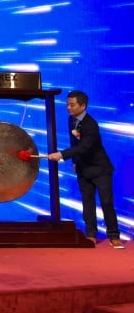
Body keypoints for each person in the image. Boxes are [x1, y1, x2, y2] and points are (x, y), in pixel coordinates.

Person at [47, 90, 124, 249]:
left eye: (72, 105)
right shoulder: (72, 120)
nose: (68, 107)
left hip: (100, 169)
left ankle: (114, 235)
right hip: (83, 168)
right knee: (87, 203)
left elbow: (85, 146)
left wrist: (61, 155)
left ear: (83, 105)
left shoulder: (90, 124)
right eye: (67, 104)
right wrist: (75, 161)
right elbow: (75, 143)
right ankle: (90, 235)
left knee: (106, 202)